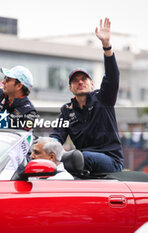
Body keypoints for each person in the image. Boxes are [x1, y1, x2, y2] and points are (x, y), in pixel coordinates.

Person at [50, 18, 123, 173]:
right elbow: (57, 136)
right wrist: (45, 146)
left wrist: (106, 45)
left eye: (84, 79)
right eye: (75, 81)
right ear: (70, 88)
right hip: (82, 162)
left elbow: (112, 76)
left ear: (92, 84)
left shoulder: (103, 98)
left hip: (111, 161)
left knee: (78, 157)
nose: (80, 82)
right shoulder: (67, 110)